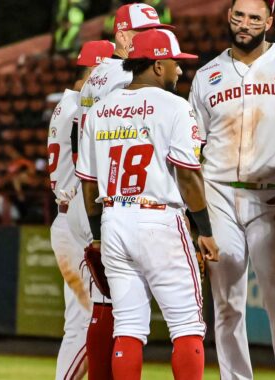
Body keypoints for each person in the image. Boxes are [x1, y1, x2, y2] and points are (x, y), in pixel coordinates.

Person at [187, 0, 275, 376]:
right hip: (218, 192)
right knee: (226, 301)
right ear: (228, 17)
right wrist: (194, 213)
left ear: (269, 20)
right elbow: (191, 146)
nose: (245, 24)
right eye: (238, 16)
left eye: (253, 17)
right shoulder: (207, 74)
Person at [77, 29, 219, 380]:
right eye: (175, 63)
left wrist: (97, 235)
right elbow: (188, 176)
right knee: (187, 324)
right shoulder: (175, 106)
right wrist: (205, 230)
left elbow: (88, 182)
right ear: (157, 65)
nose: (179, 70)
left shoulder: (100, 109)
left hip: (113, 219)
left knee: (127, 326)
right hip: (159, 218)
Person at [76, 4, 172, 379]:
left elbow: (79, 139)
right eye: (140, 32)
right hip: (113, 196)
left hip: (97, 190)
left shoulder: (99, 74)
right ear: (120, 34)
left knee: (108, 304)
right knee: (120, 310)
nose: (149, 39)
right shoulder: (121, 76)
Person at [48, 40, 113, 380]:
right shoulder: (79, 108)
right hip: (77, 219)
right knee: (87, 321)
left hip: (69, 214)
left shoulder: (68, 103)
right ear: (94, 71)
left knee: (85, 321)